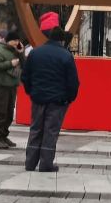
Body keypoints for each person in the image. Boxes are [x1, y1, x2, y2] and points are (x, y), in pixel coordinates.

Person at [22, 27, 80, 172]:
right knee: (50, 131)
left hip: (38, 99)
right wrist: (69, 98)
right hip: (57, 102)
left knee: (35, 130)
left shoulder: (35, 53)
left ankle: (30, 163)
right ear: (61, 40)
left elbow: (25, 76)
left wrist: (31, 92)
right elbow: (73, 82)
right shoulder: (66, 56)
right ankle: (46, 164)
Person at [0, 31, 24, 149]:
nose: (17, 43)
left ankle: (4, 136)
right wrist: (10, 63)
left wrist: (20, 53)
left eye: (18, 41)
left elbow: (23, 64)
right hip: (2, 86)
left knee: (9, 113)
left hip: (12, 86)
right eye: (15, 41)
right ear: (9, 40)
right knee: (2, 113)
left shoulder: (14, 50)